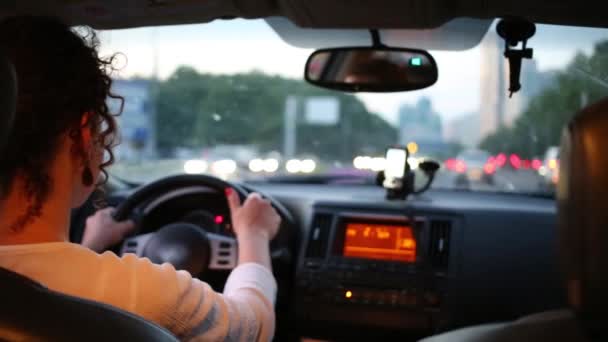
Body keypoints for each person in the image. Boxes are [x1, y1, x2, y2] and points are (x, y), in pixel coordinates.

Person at [0, 15, 281, 341]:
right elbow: (255, 324)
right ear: (82, 135)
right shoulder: (147, 294)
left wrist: (89, 246)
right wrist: (254, 235)